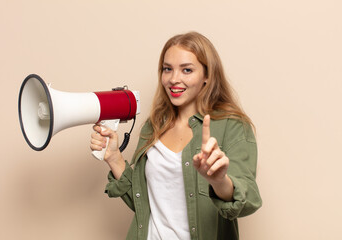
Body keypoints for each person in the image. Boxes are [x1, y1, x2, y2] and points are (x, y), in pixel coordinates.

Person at [90, 31, 262, 240]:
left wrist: (219, 181)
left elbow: (248, 199)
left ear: (207, 76)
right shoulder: (153, 127)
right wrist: (114, 158)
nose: (173, 79)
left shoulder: (233, 126)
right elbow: (145, 205)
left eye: (187, 70)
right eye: (167, 69)